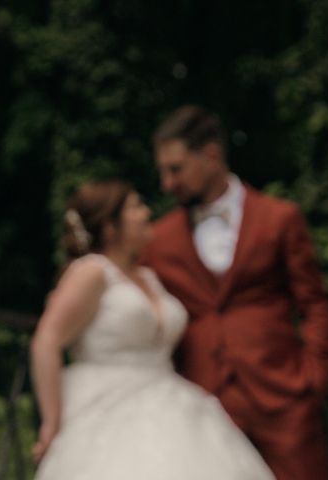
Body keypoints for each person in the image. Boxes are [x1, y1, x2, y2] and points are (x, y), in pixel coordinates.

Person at [141, 105, 328, 480]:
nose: (167, 183)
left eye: (176, 169)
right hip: (205, 404)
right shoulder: (159, 239)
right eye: (163, 171)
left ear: (211, 155)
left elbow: (315, 305)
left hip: (283, 397)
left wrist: (314, 379)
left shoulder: (279, 219)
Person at [30, 180, 274, 480]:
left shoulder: (148, 276)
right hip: (108, 405)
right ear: (109, 226)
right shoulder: (91, 272)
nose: (146, 213)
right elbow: (47, 339)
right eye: (135, 206)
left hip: (172, 399)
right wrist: (51, 421)